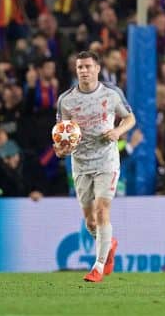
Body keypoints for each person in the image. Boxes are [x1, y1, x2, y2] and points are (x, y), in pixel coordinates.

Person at [54, 50, 136, 283]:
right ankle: (109, 245)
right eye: (80, 67)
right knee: (91, 222)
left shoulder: (111, 94)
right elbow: (61, 134)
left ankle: (98, 267)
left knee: (102, 212)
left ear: (97, 69)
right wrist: (60, 149)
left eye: (88, 66)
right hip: (80, 163)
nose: (84, 71)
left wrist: (118, 131)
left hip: (106, 161)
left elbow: (130, 118)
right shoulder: (66, 100)